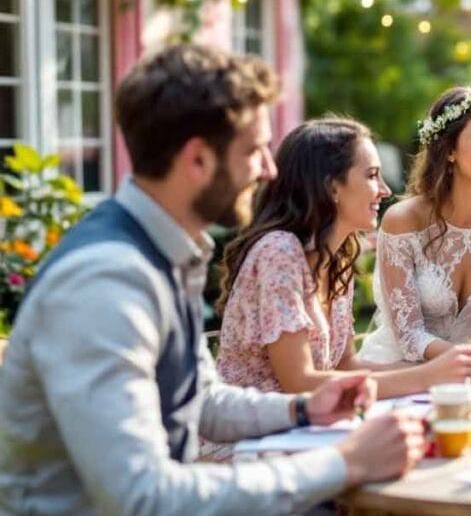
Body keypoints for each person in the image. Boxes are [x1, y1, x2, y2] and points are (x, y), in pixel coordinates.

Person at [0, 45, 423, 514]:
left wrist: (305, 408)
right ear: (197, 159)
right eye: (254, 149)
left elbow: (201, 400)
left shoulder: (164, 252)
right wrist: (342, 463)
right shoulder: (108, 282)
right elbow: (143, 498)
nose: (269, 168)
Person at [205, 117, 471, 460]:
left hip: (308, 434)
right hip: (248, 443)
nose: (383, 189)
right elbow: (300, 382)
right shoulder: (278, 252)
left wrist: (449, 371)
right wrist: (426, 376)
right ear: (331, 187)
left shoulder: (337, 256)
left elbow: (347, 365)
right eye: (370, 175)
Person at [358, 85, 471, 365]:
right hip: (397, 371)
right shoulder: (403, 221)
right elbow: (408, 337)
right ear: (450, 150)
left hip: (469, 372)